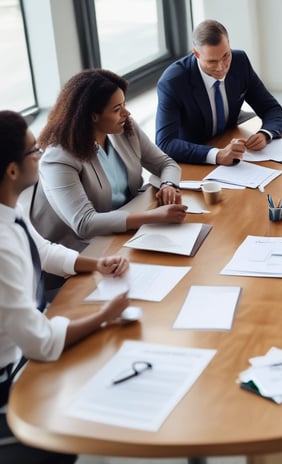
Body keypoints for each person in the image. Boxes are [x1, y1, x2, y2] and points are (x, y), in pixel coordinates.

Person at [0, 110, 131, 464]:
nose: (41, 154)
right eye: (32, 151)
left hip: (27, 348)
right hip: (11, 376)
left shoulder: (9, 208)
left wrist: (96, 263)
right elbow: (40, 341)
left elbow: (40, 249)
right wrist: (104, 316)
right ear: (12, 170)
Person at [30, 69, 187, 255]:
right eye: (117, 109)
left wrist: (168, 185)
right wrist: (151, 217)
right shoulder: (58, 158)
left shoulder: (123, 128)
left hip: (125, 234)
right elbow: (84, 223)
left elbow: (166, 164)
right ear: (93, 116)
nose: (126, 113)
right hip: (79, 250)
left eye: (124, 105)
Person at [155, 19, 282, 165]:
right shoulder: (172, 83)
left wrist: (265, 134)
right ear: (197, 54)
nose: (221, 67)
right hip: (194, 156)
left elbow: (272, 108)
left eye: (225, 56)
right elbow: (165, 142)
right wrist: (217, 155)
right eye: (212, 61)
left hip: (229, 139)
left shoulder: (239, 61)